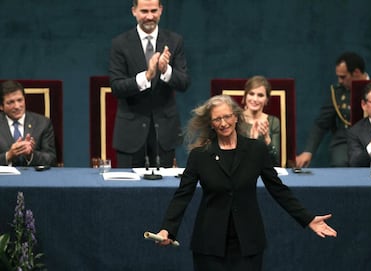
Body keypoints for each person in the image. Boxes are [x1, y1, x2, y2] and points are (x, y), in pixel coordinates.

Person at [156, 95, 337, 271]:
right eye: (217, 119)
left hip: (247, 243)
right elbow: (182, 196)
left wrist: (308, 219)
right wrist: (168, 229)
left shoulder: (256, 150)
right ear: (211, 123)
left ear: (236, 116)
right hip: (209, 244)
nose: (223, 123)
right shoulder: (200, 156)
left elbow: (278, 189)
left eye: (227, 116)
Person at [109, 0, 190, 168]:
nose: (149, 16)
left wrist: (166, 70)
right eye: (144, 11)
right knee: (126, 192)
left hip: (164, 134)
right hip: (130, 133)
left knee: (165, 191)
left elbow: (183, 83)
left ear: (161, 10)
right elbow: (116, 87)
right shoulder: (120, 43)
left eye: (154, 10)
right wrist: (147, 76)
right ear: (134, 11)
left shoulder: (175, 41)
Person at [296, 52, 369, 168]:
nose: (339, 81)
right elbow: (321, 124)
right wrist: (308, 151)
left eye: (343, 77)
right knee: (340, 165)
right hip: (344, 142)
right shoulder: (337, 93)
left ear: (356, 73)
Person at [0, 80, 57, 167]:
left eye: (20, 100)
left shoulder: (42, 123)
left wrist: (31, 155)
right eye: (11, 102)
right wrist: (8, 156)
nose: (17, 106)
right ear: (1, 106)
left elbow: (51, 160)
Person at [239, 75, 280, 166]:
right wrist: (251, 140)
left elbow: (276, 162)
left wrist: (267, 139)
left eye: (260, 95)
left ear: (266, 100)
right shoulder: (235, 120)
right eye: (251, 94)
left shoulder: (273, 122)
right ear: (245, 96)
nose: (255, 99)